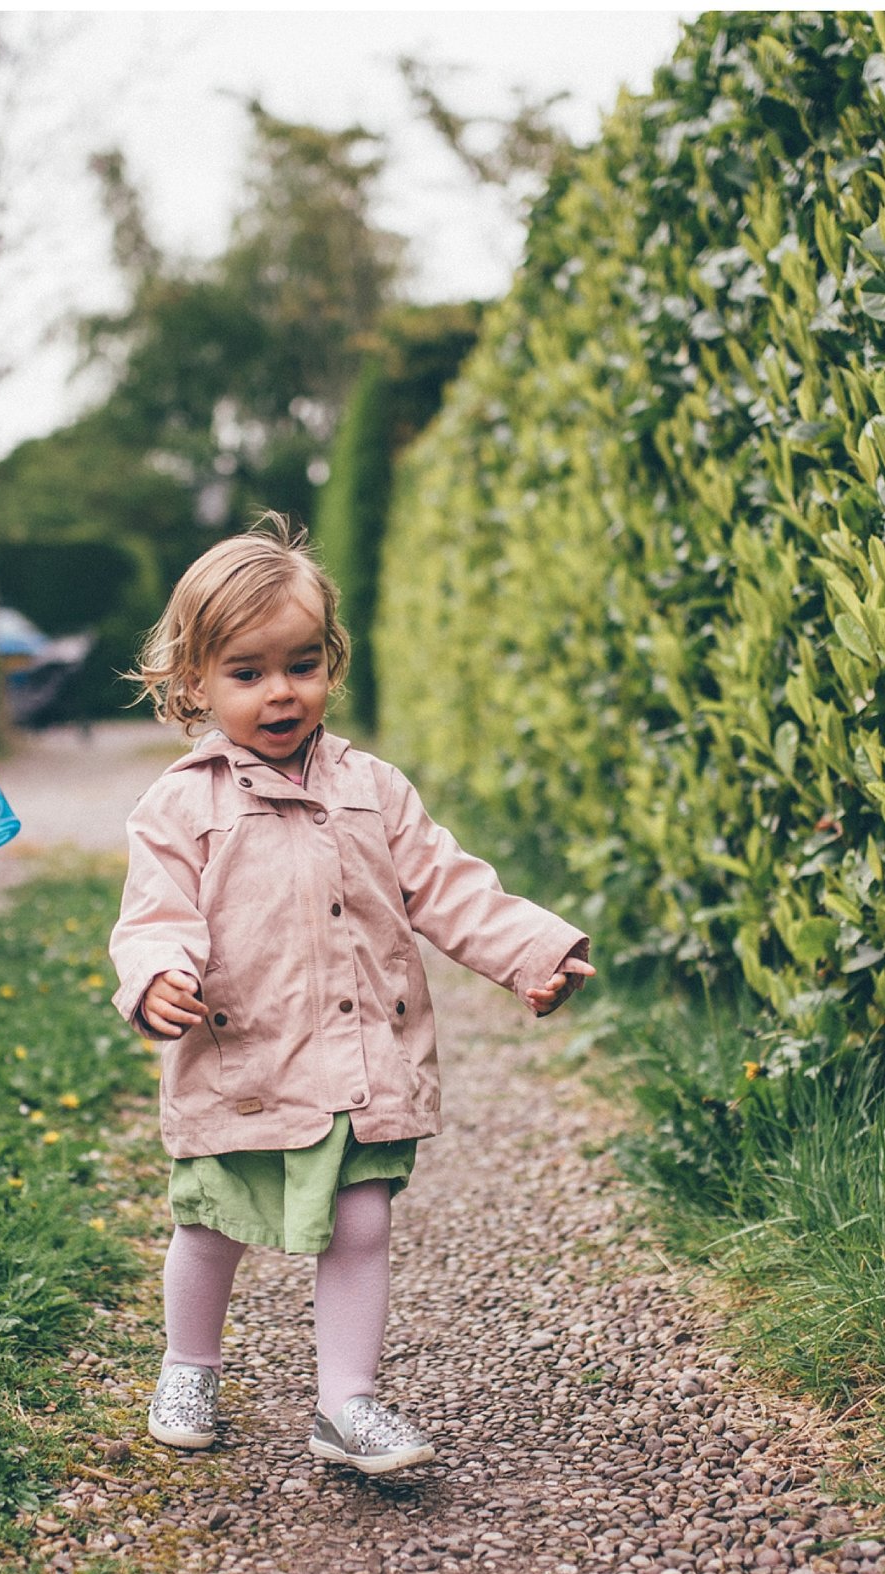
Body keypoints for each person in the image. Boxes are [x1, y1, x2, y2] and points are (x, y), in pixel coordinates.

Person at [108, 514, 596, 1474]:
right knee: (210, 1221)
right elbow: (154, 912)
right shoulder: (181, 803)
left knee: (362, 1220)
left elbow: (447, 886)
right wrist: (159, 974)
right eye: (245, 673)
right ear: (193, 683)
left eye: (300, 664)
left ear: (330, 661)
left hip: (362, 1058)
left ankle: (348, 1404)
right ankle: (190, 1364)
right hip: (242, 1059)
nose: (279, 692)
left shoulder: (374, 789)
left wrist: (532, 948)